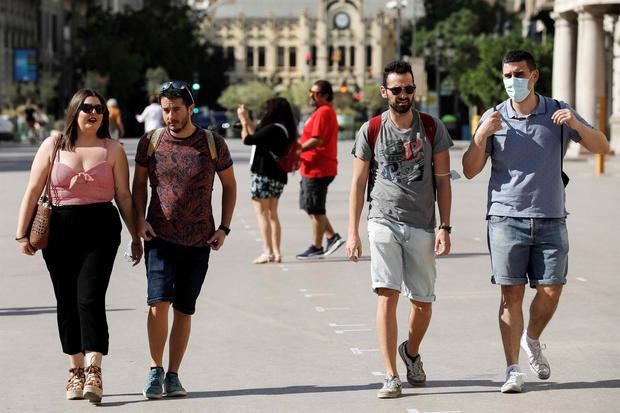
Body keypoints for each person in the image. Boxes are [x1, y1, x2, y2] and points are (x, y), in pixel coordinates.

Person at [462, 50, 609, 394]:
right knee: (510, 295)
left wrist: (575, 124)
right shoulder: (493, 116)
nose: (512, 81)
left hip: (551, 217)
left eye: (518, 74)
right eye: (507, 75)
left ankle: (533, 337)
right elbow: (469, 170)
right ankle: (513, 369)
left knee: (552, 290)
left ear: (534, 76)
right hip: (505, 218)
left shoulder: (557, 110)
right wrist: (482, 135)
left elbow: (602, 147)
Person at [15, 89, 143, 403]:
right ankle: (75, 369)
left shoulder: (112, 149)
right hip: (58, 227)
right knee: (66, 300)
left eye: (99, 108)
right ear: (75, 111)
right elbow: (33, 190)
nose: (94, 113)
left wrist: (136, 234)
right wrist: (22, 234)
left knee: (90, 296)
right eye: (87, 108)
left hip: (101, 226)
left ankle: (94, 369)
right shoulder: (53, 144)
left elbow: (124, 196)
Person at [346, 60, 453, 399]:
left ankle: (411, 351)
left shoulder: (432, 129)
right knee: (386, 295)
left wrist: (445, 226)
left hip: (421, 223)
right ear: (385, 92)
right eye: (397, 89)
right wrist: (352, 232)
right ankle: (391, 374)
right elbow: (358, 181)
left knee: (422, 302)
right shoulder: (372, 129)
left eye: (408, 88)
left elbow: (443, 181)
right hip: (382, 219)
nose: (403, 94)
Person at [132, 80, 237, 399]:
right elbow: (137, 186)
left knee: (184, 308)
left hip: (198, 239)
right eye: (166, 110)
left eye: (177, 109)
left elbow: (230, 186)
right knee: (158, 303)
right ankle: (155, 369)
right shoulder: (150, 141)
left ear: (191, 109)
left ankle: (174, 374)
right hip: (159, 236)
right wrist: (138, 221)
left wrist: (224, 227)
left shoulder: (212, 143)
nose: (171, 116)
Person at [237, 97, 297, 263]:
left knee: (261, 213)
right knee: (272, 214)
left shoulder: (271, 128)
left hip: (263, 175)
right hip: (279, 177)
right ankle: (276, 252)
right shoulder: (285, 129)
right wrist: (247, 119)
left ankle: (268, 252)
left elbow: (247, 139)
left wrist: (243, 121)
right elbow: (257, 132)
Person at [296, 79, 344, 260]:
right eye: (311, 91)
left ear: (324, 95)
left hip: (319, 167)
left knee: (316, 209)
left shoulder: (324, 112)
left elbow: (317, 140)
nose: (311, 95)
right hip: (312, 167)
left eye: (315, 92)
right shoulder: (320, 112)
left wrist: (297, 150)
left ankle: (317, 247)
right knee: (312, 207)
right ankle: (332, 237)